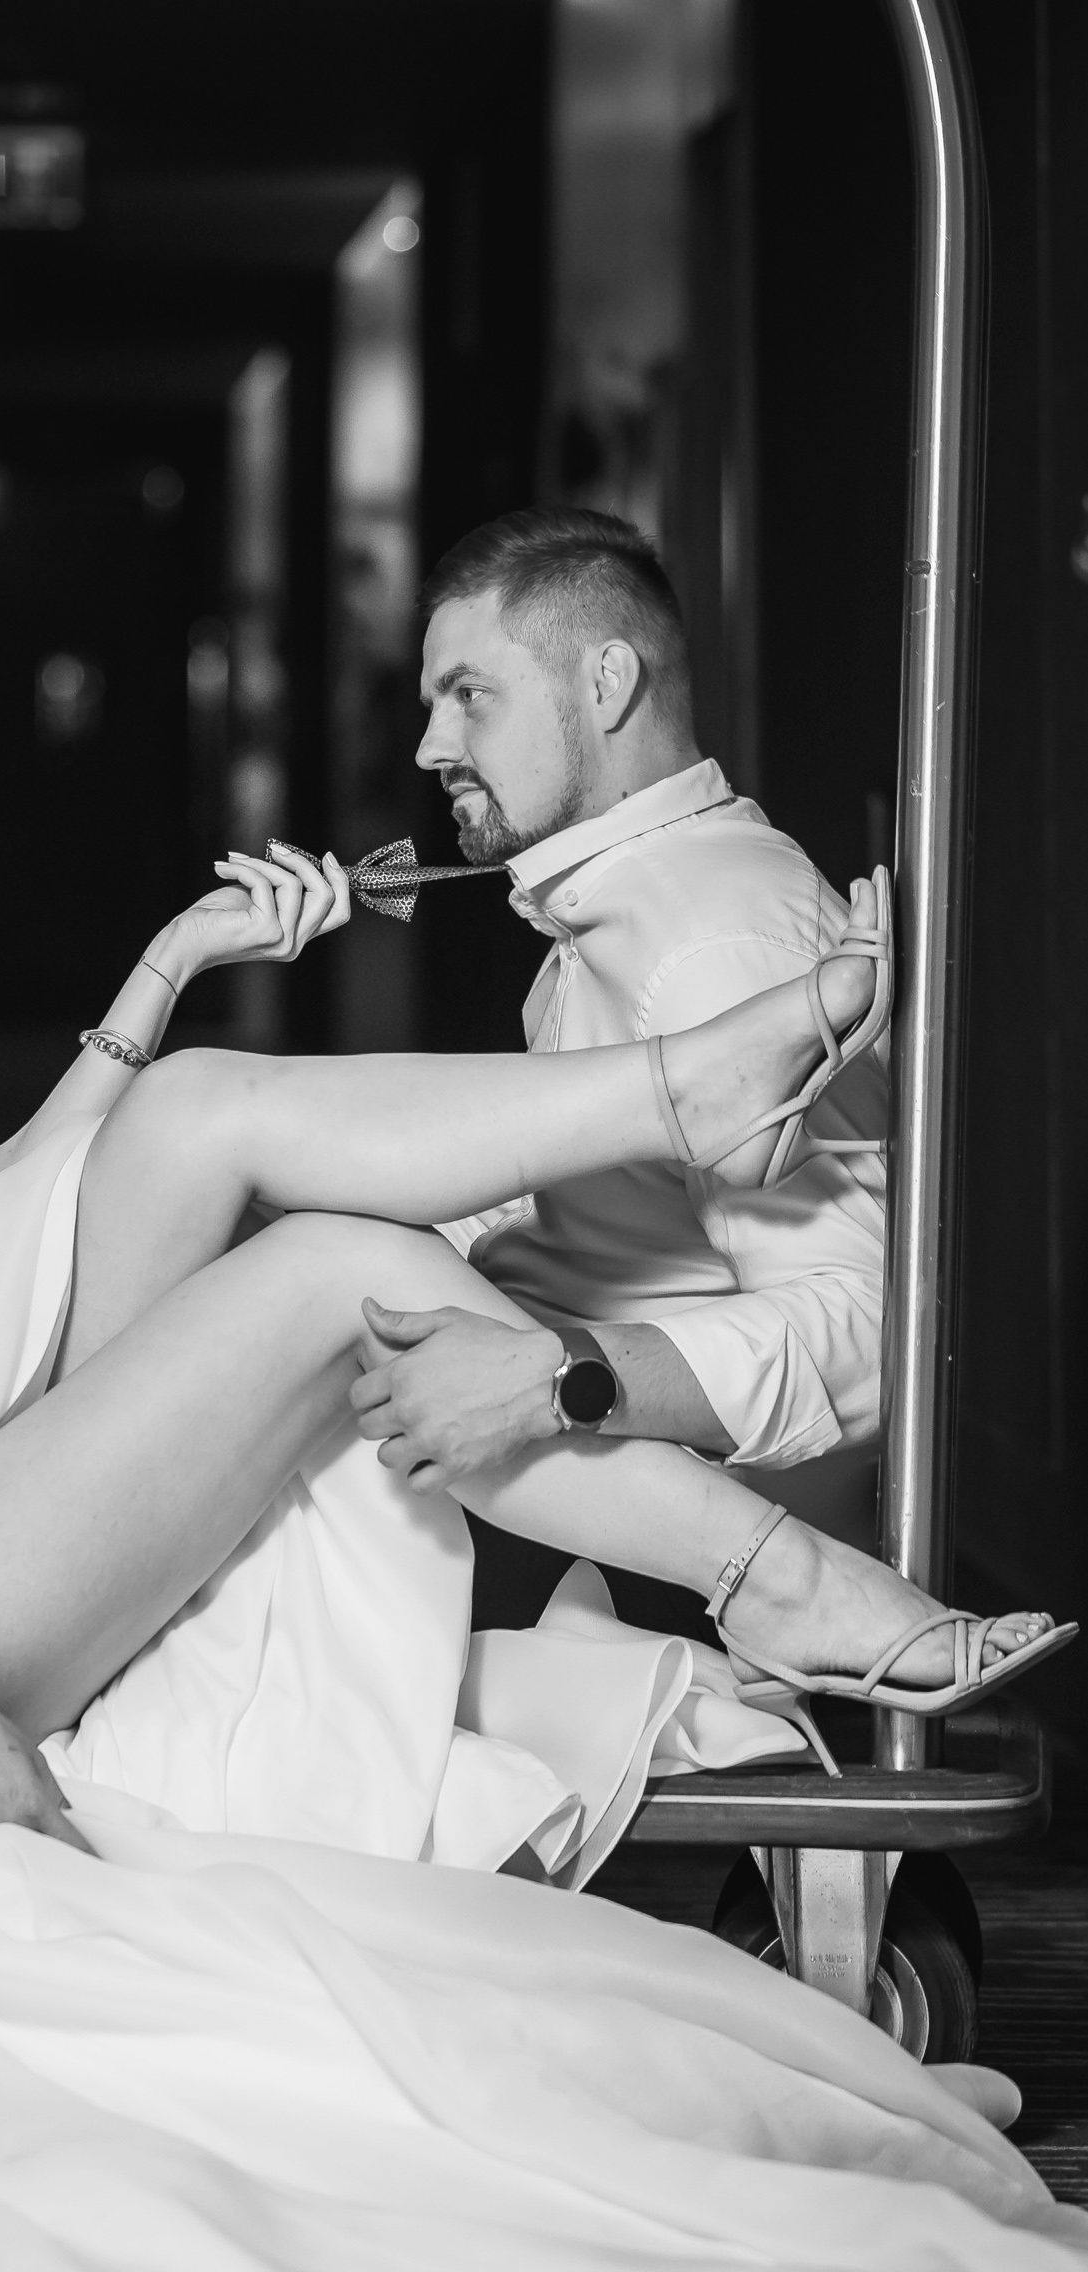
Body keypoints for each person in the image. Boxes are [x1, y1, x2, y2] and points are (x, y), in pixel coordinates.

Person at [0, 505, 1083, 2272]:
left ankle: (708, 1162)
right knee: (324, 1272)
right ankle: (747, 1389)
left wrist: (176, 959)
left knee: (210, 1111)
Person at [353, 507, 888, 1575]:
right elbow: (572, 1216)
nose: (430, 748)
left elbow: (875, 1328)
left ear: (605, 683)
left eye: (469, 695)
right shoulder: (614, 903)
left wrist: (558, 1375)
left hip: (655, 1550)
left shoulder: (709, 939)